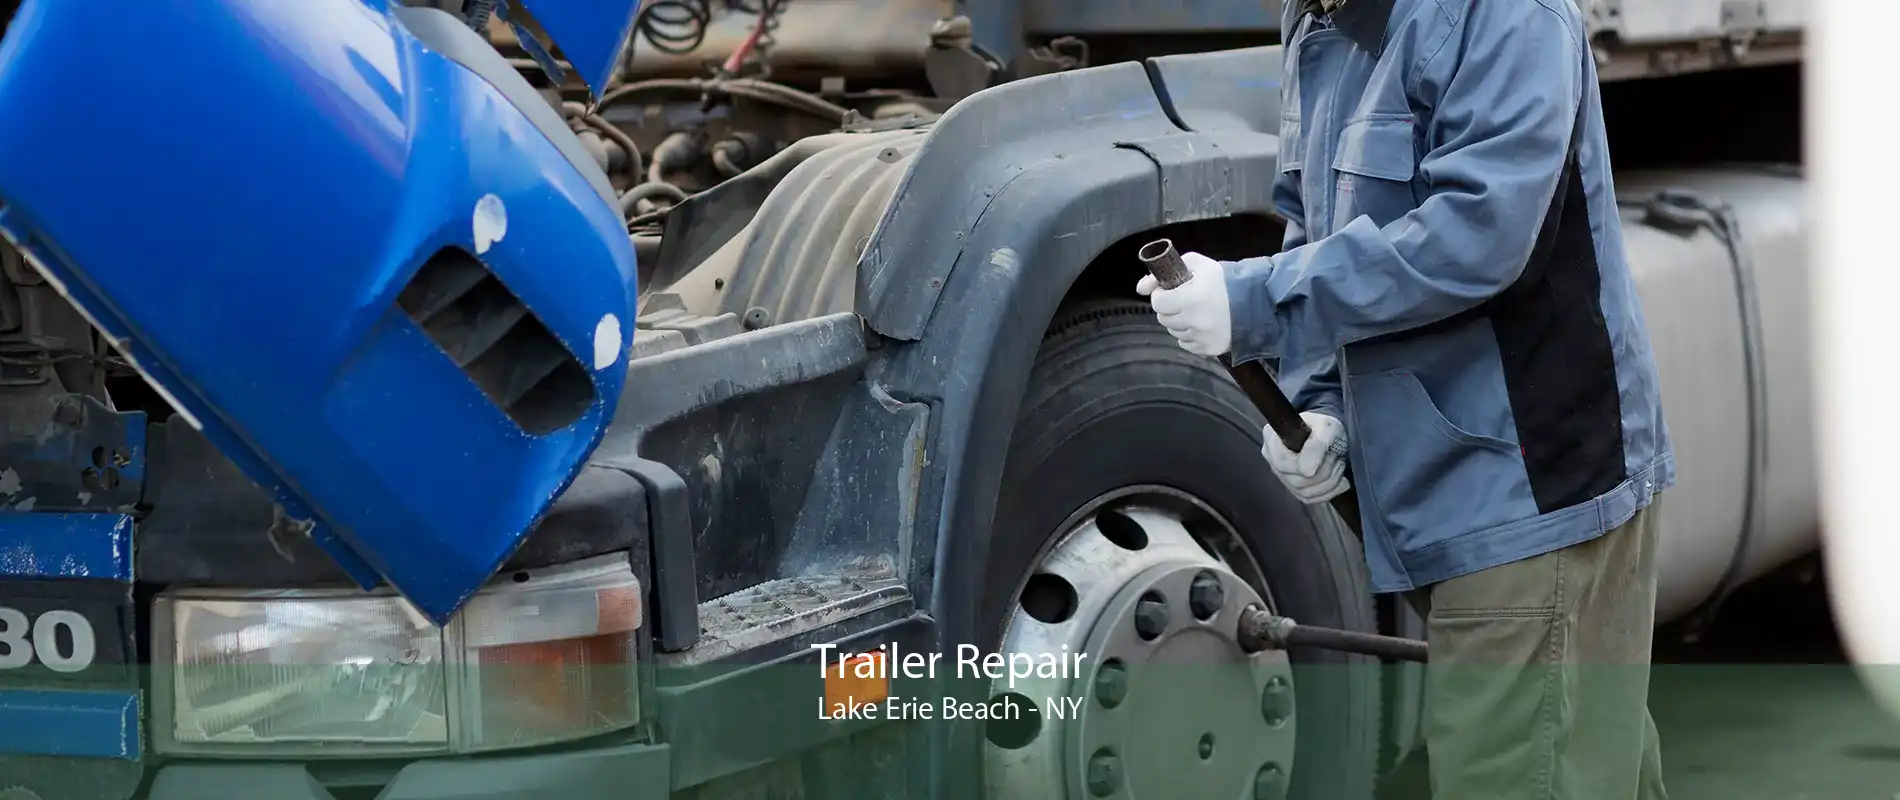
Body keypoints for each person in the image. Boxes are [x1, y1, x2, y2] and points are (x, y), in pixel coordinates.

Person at [1136, 0, 1673, 797]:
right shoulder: (1320, 20)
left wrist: (1255, 304)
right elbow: (1313, 220)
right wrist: (1322, 403)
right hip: (1452, 493)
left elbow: (1480, 234)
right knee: (1575, 762)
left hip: (1530, 496)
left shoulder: (1505, 13)